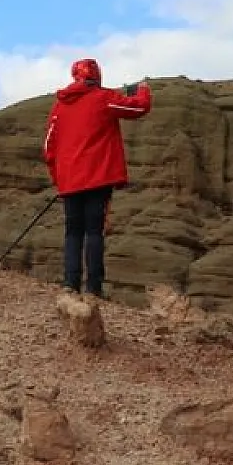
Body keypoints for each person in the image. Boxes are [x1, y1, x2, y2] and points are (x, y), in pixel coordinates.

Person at [42, 58, 151, 298]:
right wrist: (143, 89)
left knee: (72, 232)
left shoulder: (59, 106)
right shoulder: (104, 98)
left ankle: (70, 283)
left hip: (69, 182)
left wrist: (58, 178)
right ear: (97, 75)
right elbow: (137, 108)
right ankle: (93, 287)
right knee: (93, 231)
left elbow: (49, 147)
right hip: (97, 178)